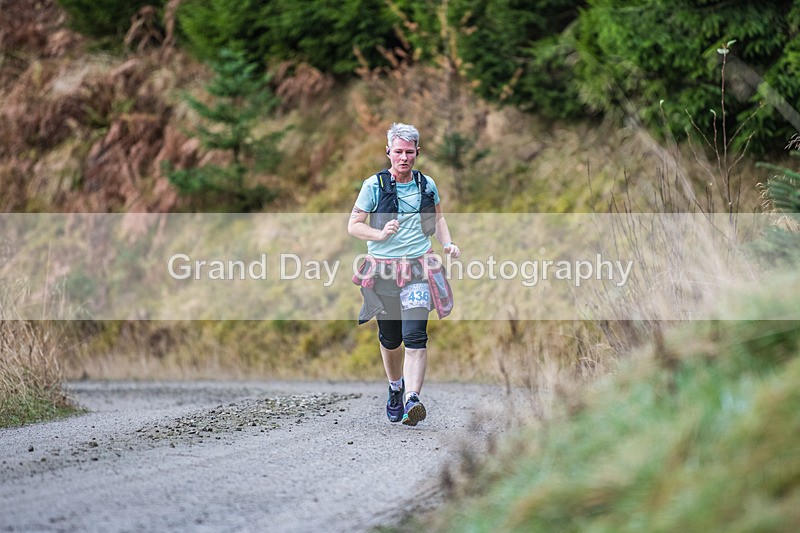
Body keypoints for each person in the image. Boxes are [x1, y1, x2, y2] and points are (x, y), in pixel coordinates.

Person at [348, 122, 460, 426]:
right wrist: (380, 234)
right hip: (382, 271)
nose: (404, 157)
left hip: (418, 269)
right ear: (388, 152)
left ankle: (413, 399)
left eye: (409, 152)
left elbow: (437, 218)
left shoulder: (427, 184)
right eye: (398, 151)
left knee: (415, 337)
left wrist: (447, 243)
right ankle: (395, 388)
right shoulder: (374, 185)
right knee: (390, 339)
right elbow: (354, 225)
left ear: (417, 153)